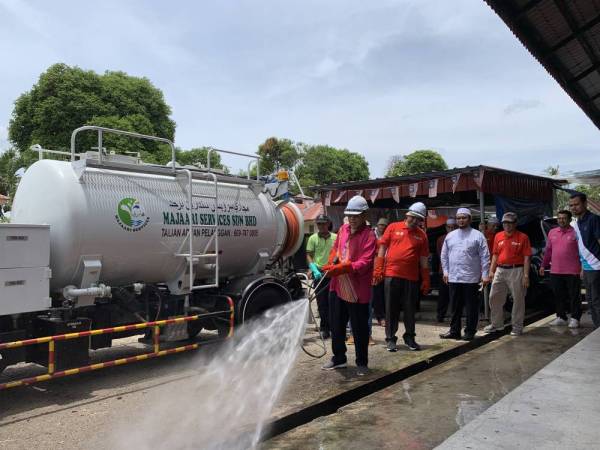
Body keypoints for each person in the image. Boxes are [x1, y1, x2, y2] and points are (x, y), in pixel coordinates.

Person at [321, 195, 376, 376]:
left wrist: (344, 267)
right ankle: (339, 358)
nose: (352, 219)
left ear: (364, 215)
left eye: (356, 215)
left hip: (357, 288)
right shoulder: (343, 229)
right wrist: (332, 261)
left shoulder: (369, 236)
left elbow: (365, 262)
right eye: (350, 215)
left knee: (359, 329)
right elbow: (336, 248)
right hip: (338, 285)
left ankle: (361, 362)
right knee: (336, 325)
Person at [373, 202, 430, 352]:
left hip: (411, 278)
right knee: (391, 309)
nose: (415, 221)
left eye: (418, 219)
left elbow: (423, 258)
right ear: (407, 215)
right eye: (413, 217)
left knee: (410, 309)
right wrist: (379, 268)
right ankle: (390, 339)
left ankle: (409, 337)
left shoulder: (422, 235)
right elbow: (382, 247)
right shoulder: (393, 227)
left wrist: (425, 278)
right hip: (391, 274)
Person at [439, 208, 490, 341]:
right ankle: (454, 331)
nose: (461, 220)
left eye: (464, 217)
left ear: (470, 219)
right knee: (455, 306)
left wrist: (485, 275)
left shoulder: (478, 235)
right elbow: (444, 255)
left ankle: (470, 331)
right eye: (459, 218)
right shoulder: (450, 236)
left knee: (471, 307)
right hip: (454, 277)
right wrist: (445, 271)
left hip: (471, 278)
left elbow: (485, 257)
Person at [484, 212, 532, 336]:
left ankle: (517, 327)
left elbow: (527, 257)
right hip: (500, 270)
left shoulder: (523, 237)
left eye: (510, 222)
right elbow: (495, 254)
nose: (507, 225)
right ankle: (496, 324)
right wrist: (491, 270)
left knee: (518, 299)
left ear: (515, 223)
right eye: (505, 222)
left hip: (516, 270)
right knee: (494, 297)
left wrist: (526, 276)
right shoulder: (498, 236)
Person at [539, 210, 582, 328]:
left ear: (569, 220)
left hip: (573, 270)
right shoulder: (552, 232)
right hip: (556, 270)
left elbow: (582, 252)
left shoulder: (575, 233)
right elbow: (548, 251)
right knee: (558, 295)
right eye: (559, 218)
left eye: (564, 218)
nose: (561, 220)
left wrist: (582, 268)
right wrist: (543, 265)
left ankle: (575, 318)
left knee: (574, 295)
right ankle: (561, 317)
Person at [569, 193, 600, 329]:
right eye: (571, 205)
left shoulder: (594, 220)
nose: (573, 208)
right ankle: (596, 328)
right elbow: (581, 247)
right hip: (587, 268)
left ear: (585, 204)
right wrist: (582, 267)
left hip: (597, 266)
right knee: (590, 300)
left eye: (576, 204)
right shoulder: (576, 224)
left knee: (597, 300)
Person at [306, 214, 336, 339]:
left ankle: (335, 328)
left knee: (333, 302)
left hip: (333, 273)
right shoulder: (313, 238)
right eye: (319, 224)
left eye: (323, 223)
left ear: (328, 224)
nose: (321, 226)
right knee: (321, 303)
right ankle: (324, 329)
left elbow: (340, 252)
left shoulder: (336, 237)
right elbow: (309, 254)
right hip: (318, 273)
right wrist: (312, 268)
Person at [436, 217, 457, 322]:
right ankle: (440, 315)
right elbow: (440, 254)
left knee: (455, 294)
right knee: (443, 294)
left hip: (456, 270)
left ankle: (454, 315)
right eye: (449, 227)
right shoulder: (440, 239)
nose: (451, 229)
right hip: (444, 270)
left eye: (453, 227)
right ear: (446, 228)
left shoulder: (460, 237)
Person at [372, 218, 389, 326]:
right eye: (381, 225)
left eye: (384, 225)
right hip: (374, 267)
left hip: (386, 267)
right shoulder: (372, 236)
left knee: (383, 293)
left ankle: (383, 315)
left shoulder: (388, 236)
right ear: (377, 225)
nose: (382, 227)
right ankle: (380, 316)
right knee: (376, 293)